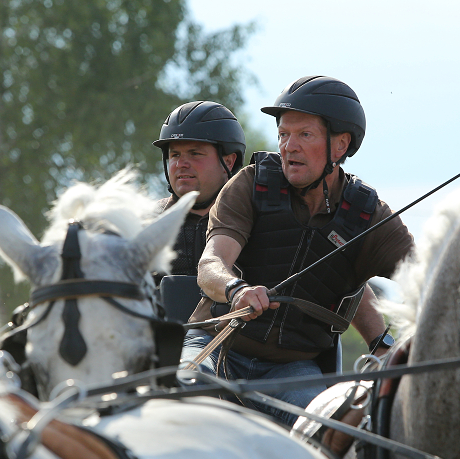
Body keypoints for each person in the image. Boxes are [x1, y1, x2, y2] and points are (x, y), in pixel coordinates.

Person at [184, 76, 414, 426]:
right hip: (216, 347)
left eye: (304, 134)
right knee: (178, 399)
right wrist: (237, 291)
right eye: (283, 135)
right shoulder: (249, 184)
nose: (289, 146)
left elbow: (420, 277)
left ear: (340, 146)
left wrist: (383, 345)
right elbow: (212, 263)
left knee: (329, 428)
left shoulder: (368, 217)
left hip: (292, 370)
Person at [153, 101, 246, 277]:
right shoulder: (145, 223)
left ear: (228, 161)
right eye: (175, 155)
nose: (181, 164)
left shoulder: (256, 221)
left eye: (195, 153)